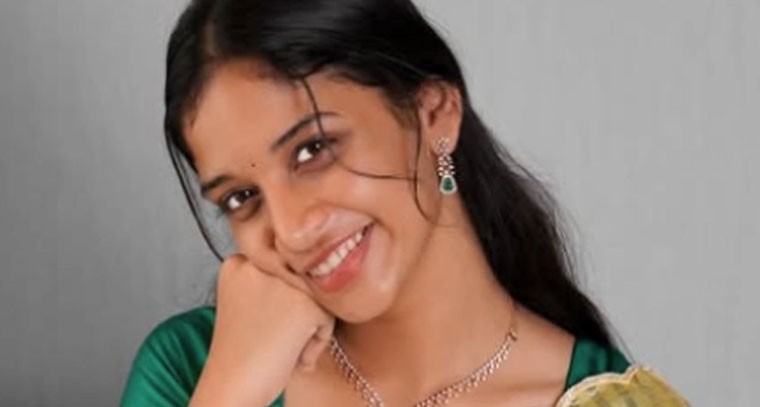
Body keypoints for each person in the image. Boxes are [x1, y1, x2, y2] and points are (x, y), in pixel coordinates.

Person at [122, 0, 689, 405]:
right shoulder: (193, 369)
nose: (291, 230)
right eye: (242, 197)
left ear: (434, 114)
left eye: (313, 149)